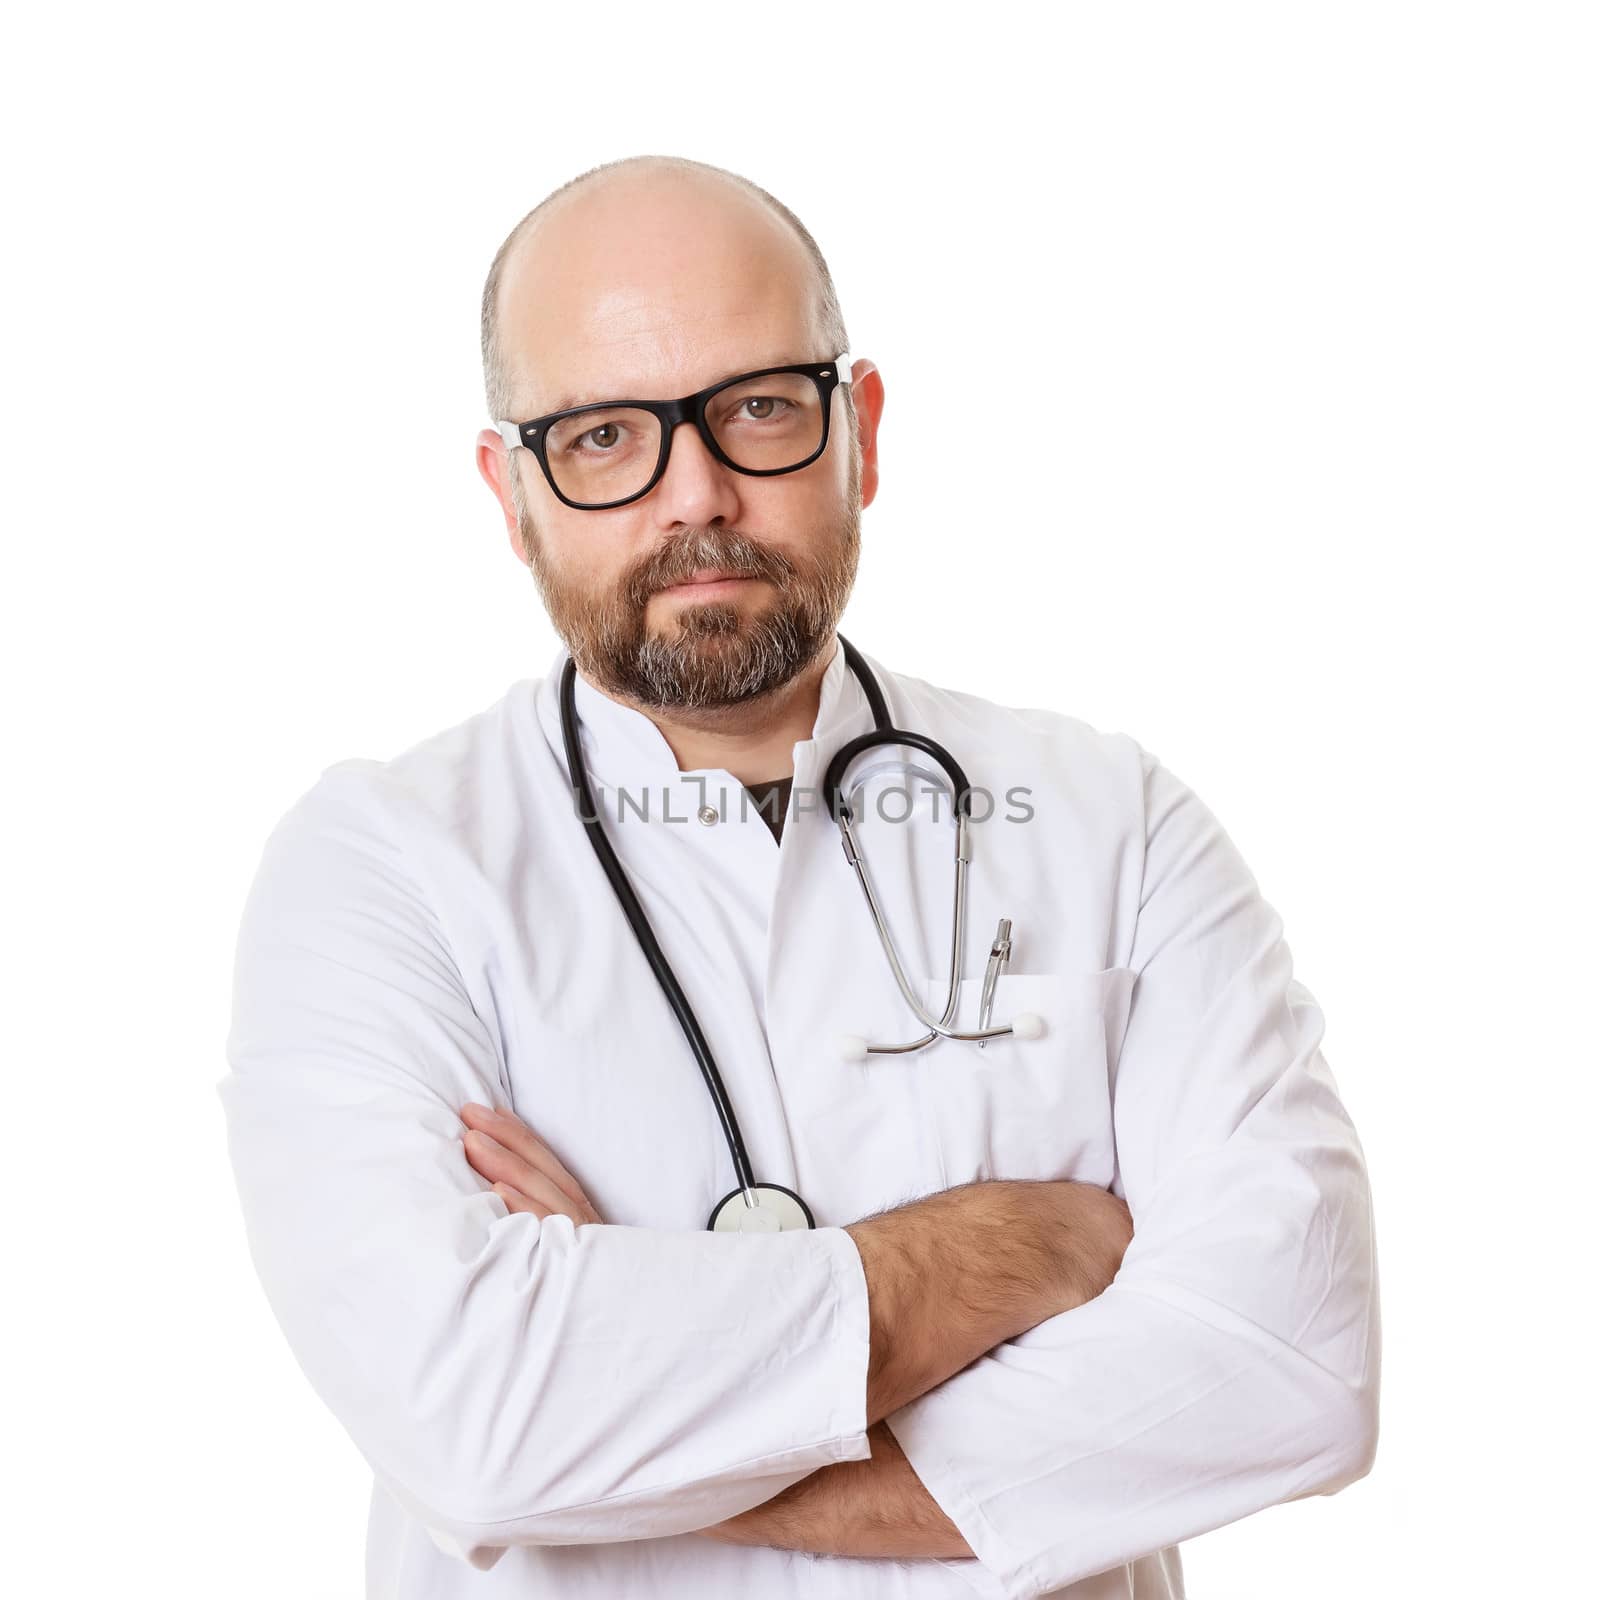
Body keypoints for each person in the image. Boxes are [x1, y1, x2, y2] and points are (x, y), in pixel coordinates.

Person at [217, 153, 1380, 1600]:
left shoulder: (1112, 823)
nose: (694, 496)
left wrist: (657, 1411)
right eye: (601, 436)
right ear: (512, 495)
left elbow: (1294, 1364)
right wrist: (1018, 1247)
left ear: (861, 433)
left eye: (759, 407)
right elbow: (480, 1420)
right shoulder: (381, 871)